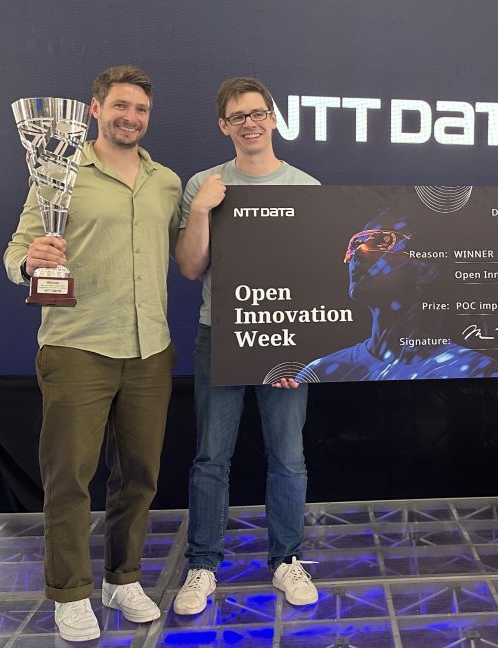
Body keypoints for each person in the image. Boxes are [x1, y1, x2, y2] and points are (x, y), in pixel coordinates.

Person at [2, 65, 181, 642]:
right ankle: (71, 592)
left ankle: (122, 579)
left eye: (141, 109)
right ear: (96, 109)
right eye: (120, 106)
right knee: (69, 478)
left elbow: (189, 253)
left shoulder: (166, 182)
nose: (131, 117)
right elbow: (18, 249)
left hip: (150, 348)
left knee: (139, 475)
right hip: (77, 346)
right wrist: (29, 261)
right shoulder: (58, 173)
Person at [173, 77, 320, 616]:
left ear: (274, 119)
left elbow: (317, 278)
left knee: (289, 455)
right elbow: (190, 267)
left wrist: (301, 347)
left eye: (258, 113)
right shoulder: (204, 184)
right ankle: (202, 565)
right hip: (221, 333)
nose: (250, 123)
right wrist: (201, 211)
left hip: (285, 336)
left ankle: (287, 559)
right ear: (224, 126)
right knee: (212, 455)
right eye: (238, 116)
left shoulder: (306, 187)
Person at [296, 209, 498, 382]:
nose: (359, 252)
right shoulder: (320, 373)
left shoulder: (472, 370)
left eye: (382, 240)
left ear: (425, 271)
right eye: (356, 243)